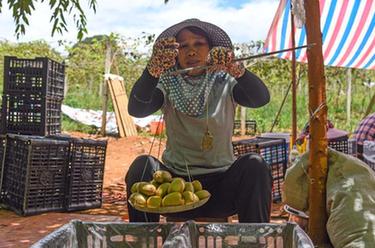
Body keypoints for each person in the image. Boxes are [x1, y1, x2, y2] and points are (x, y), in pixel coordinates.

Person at [126, 19, 272, 223]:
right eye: (183, 46)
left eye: (198, 44)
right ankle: (141, 242)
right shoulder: (167, 82)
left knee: (255, 166)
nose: (191, 51)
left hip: (221, 188)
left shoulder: (225, 80)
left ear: (211, 49)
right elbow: (137, 109)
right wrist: (152, 70)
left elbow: (260, 99)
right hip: (173, 188)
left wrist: (236, 68)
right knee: (141, 167)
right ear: (175, 53)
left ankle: (255, 240)